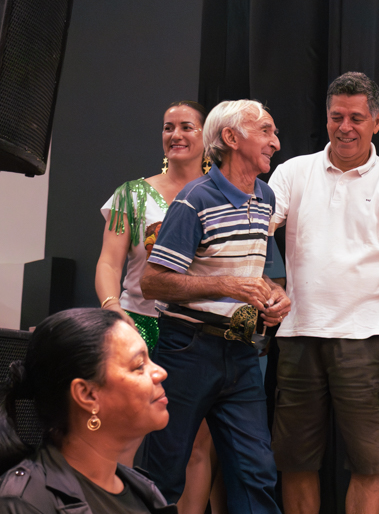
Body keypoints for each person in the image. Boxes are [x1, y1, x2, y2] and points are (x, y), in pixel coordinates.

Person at [268, 72, 379, 514]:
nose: (345, 127)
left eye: (356, 118)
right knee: (295, 461)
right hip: (297, 334)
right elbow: (257, 230)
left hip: (368, 341)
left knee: (370, 463)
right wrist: (264, 283)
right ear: (325, 117)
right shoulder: (292, 172)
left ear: (377, 121)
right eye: (336, 116)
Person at [140, 100, 290, 514]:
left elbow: (252, 273)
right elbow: (152, 281)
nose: (275, 143)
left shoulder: (265, 197)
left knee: (257, 472)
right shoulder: (194, 200)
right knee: (165, 473)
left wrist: (274, 297)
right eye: (266, 131)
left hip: (241, 352)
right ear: (231, 138)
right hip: (187, 349)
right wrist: (227, 286)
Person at [94, 100, 226, 513]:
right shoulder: (132, 195)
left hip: (195, 332)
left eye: (187, 127)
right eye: (169, 127)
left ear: (207, 137)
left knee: (196, 443)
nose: (175, 135)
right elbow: (108, 262)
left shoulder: (223, 195)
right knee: (129, 434)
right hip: (139, 327)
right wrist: (113, 308)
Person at [0, 308, 173, 513]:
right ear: (87, 394)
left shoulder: (145, 493)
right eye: (139, 365)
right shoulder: (23, 504)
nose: (161, 372)